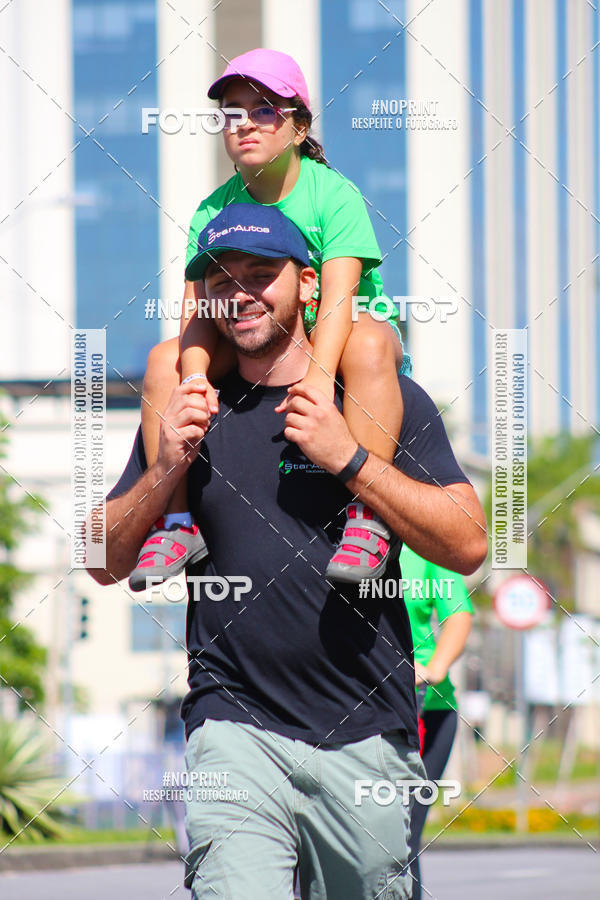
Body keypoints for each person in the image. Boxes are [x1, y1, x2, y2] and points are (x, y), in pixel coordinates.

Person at [88, 203, 488, 899]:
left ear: (308, 284)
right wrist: (164, 471)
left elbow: (469, 543)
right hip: (231, 726)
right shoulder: (191, 403)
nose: (238, 292)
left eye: (259, 273)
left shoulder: (374, 396)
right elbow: (98, 556)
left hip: (365, 730)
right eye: (219, 278)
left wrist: (351, 459)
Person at [129, 48, 412, 591]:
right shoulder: (212, 210)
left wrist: (316, 378)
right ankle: (176, 521)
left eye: (263, 110)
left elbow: (338, 301)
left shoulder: (335, 195)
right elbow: (199, 311)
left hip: (343, 328)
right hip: (261, 332)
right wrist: (192, 382)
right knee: (165, 360)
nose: (244, 124)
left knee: (369, 343)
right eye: (232, 112)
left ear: (299, 126)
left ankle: (369, 520)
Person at [399, 545, 473, 900]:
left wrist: (434, 670)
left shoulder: (423, 545)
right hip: (353, 708)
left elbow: (457, 615)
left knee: (403, 836)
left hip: (427, 708)